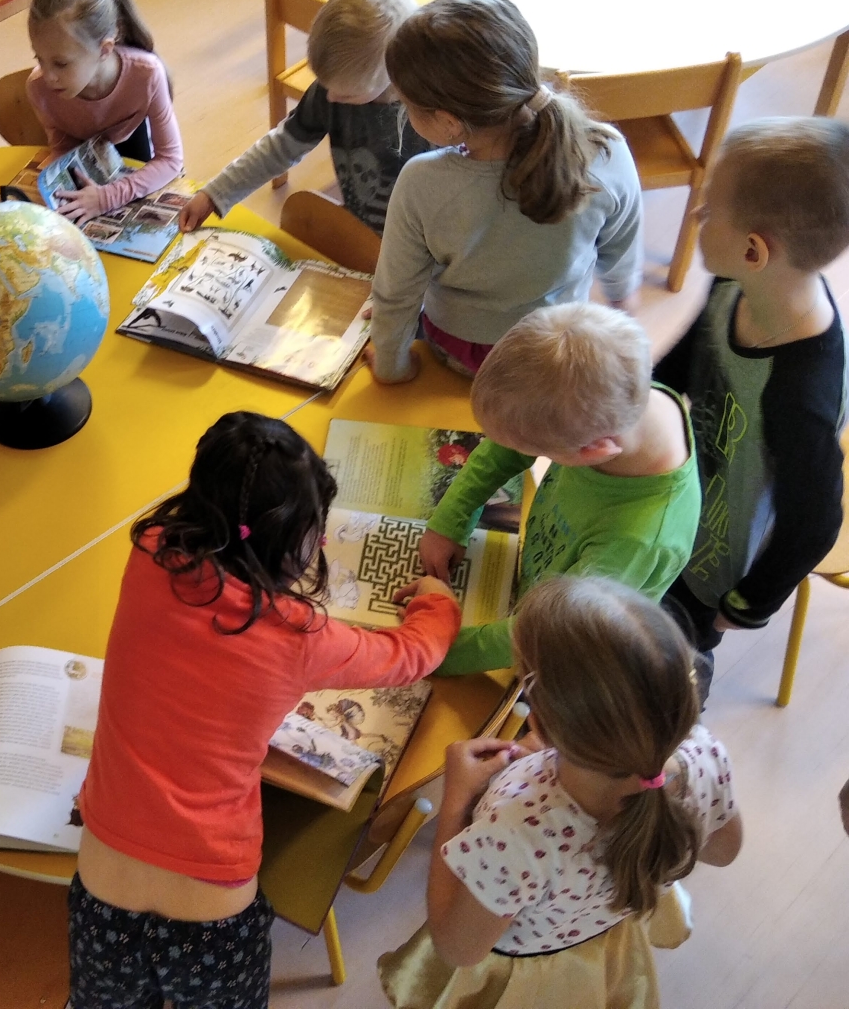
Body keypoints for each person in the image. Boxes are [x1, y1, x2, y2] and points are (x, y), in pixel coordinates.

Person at [71, 412, 462, 1009]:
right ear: (295, 542)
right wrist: (437, 603)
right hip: (212, 914)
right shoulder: (296, 634)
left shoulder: (150, 553)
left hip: (101, 893)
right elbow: (410, 655)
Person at [380, 576, 743, 1009]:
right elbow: (724, 850)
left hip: (520, 975)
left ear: (540, 723)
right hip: (604, 940)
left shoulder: (516, 828)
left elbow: (458, 948)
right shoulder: (704, 753)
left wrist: (455, 802)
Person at [653, 118, 849, 699]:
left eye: (710, 209)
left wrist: (744, 605)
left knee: (668, 665)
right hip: (681, 493)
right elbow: (686, 361)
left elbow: (815, 521)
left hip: (712, 564)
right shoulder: (737, 283)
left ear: (754, 249)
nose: (696, 214)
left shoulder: (798, 396)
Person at [368, 0, 643, 382]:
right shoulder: (608, 151)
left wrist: (391, 368)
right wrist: (622, 310)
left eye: (405, 104)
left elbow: (396, 294)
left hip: (462, 350)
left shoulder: (420, 182)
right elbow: (621, 259)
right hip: (551, 347)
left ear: (449, 122)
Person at [419, 303, 700, 675]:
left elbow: (547, 631)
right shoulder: (618, 401)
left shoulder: (639, 539)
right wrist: (450, 520)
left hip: (564, 648)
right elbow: (505, 449)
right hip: (540, 590)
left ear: (595, 451)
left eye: (539, 451)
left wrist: (426, 652)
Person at [179, 0, 430, 242]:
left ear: (393, 75)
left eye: (346, 96)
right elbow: (281, 147)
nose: (330, 98)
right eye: (324, 85)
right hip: (360, 231)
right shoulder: (334, 89)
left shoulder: (429, 121)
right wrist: (215, 194)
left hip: (418, 246)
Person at [26, 0, 183, 225]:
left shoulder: (147, 74)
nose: (48, 76)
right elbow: (62, 146)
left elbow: (170, 160)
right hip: (84, 158)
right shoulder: (39, 88)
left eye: (61, 64)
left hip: (132, 146)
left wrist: (106, 198)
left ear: (104, 50)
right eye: (39, 59)